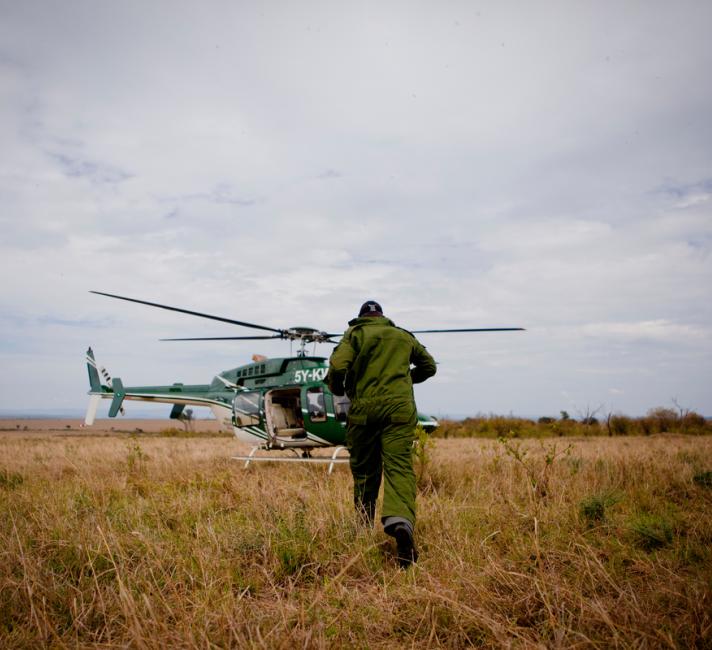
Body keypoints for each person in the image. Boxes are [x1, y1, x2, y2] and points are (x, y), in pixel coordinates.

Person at [328, 300, 437, 567]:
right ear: (382, 316)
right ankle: (400, 523)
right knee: (399, 468)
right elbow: (429, 367)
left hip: (364, 412)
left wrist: (337, 387)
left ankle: (363, 526)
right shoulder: (402, 336)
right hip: (400, 411)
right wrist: (402, 380)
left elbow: (339, 366)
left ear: (362, 317)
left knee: (365, 471)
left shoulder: (354, 335)